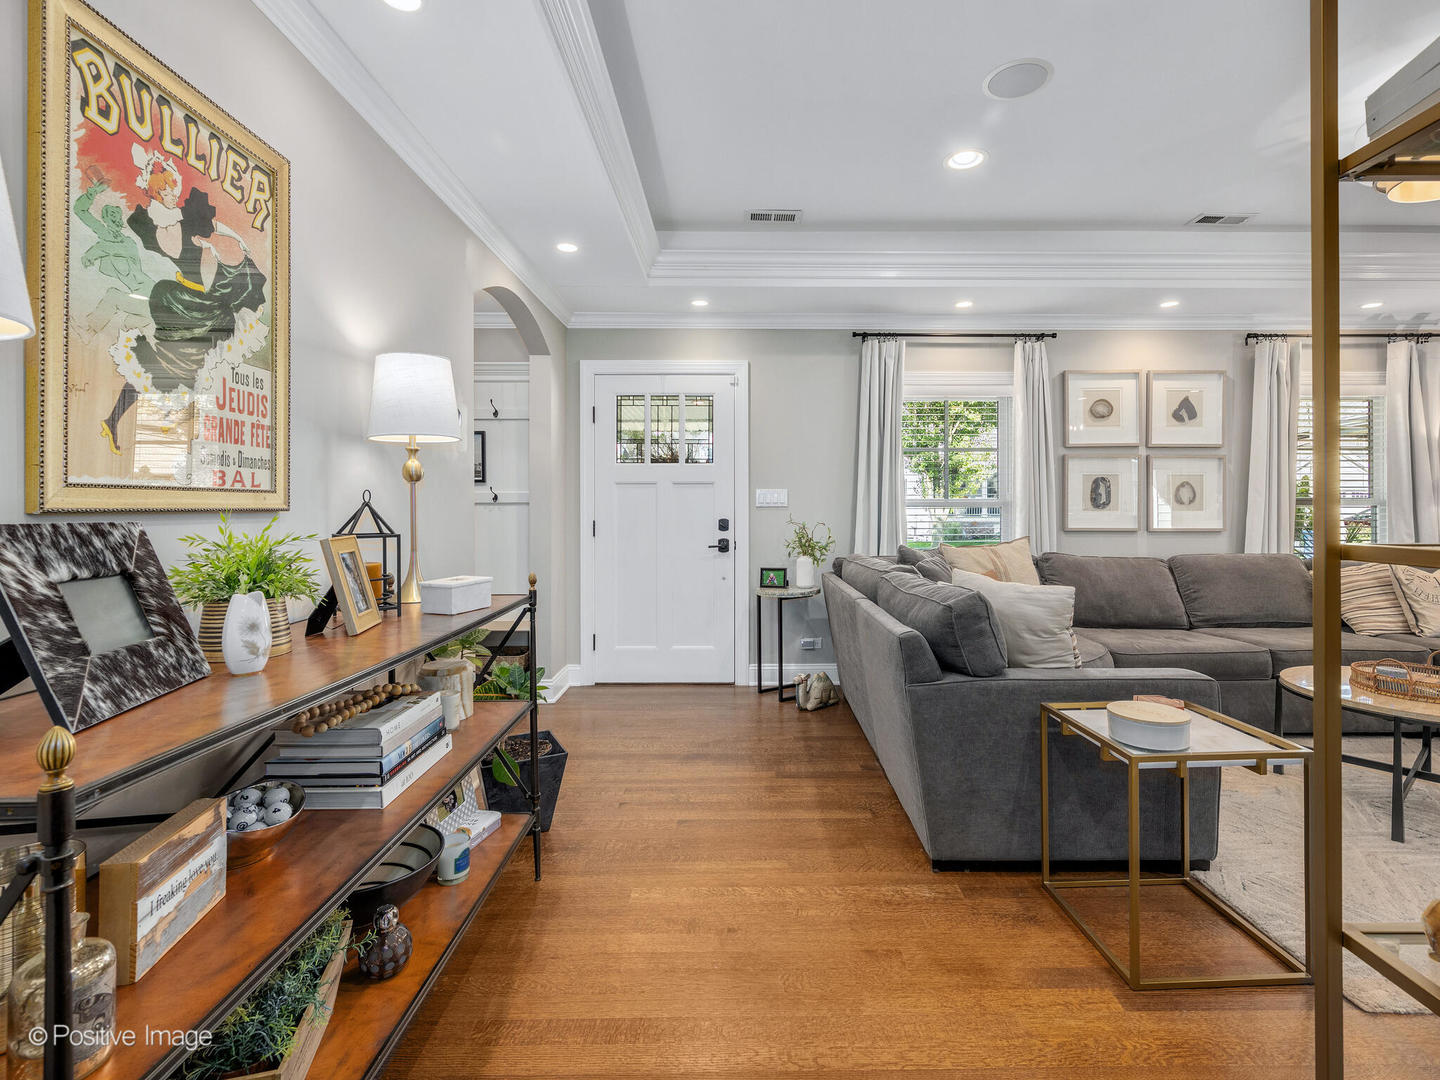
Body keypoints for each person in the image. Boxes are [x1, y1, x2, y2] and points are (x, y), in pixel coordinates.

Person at [99, 149, 268, 457]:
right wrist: (204, 245)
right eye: (160, 190)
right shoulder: (166, 227)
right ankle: (123, 419)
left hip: (201, 300)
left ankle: (153, 417)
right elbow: (185, 241)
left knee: (187, 368)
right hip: (188, 302)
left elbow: (214, 228)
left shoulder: (184, 220)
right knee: (163, 365)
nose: (167, 193)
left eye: (168, 188)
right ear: (154, 192)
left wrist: (235, 241)